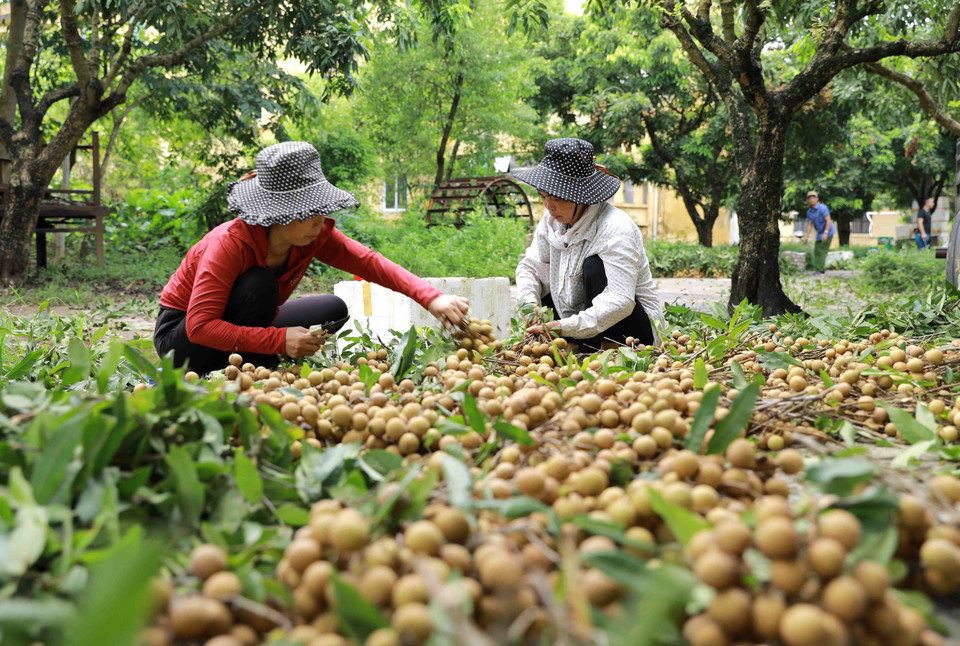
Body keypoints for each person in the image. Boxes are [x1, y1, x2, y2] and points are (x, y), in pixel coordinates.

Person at [154, 141, 469, 375]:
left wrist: (432, 298)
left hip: (242, 323)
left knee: (333, 309)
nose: (320, 219)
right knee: (260, 283)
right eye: (309, 211)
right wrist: (278, 340)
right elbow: (200, 326)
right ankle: (248, 362)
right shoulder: (230, 243)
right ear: (279, 213)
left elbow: (370, 263)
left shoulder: (313, 236)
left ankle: (255, 363)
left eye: (322, 208)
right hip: (183, 341)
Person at [512, 138, 664, 351]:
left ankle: (607, 347)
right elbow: (530, 267)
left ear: (581, 196)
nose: (548, 206)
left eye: (556, 197)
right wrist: (530, 306)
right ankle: (579, 345)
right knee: (542, 278)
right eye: (543, 196)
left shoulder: (616, 228)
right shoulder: (550, 224)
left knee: (593, 267)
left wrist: (564, 328)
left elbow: (621, 301)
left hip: (633, 331)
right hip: (574, 323)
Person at [802, 190, 834, 273]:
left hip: (828, 232)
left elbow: (828, 220)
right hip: (820, 233)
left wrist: (826, 233)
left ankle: (820, 269)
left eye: (813, 197)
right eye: (809, 198)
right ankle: (819, 269)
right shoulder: (809, 212)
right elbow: (809, 224)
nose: (811, 200)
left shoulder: (822, 208)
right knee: (816, 250)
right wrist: (806, 237)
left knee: (822, 250)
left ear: (817, 199)